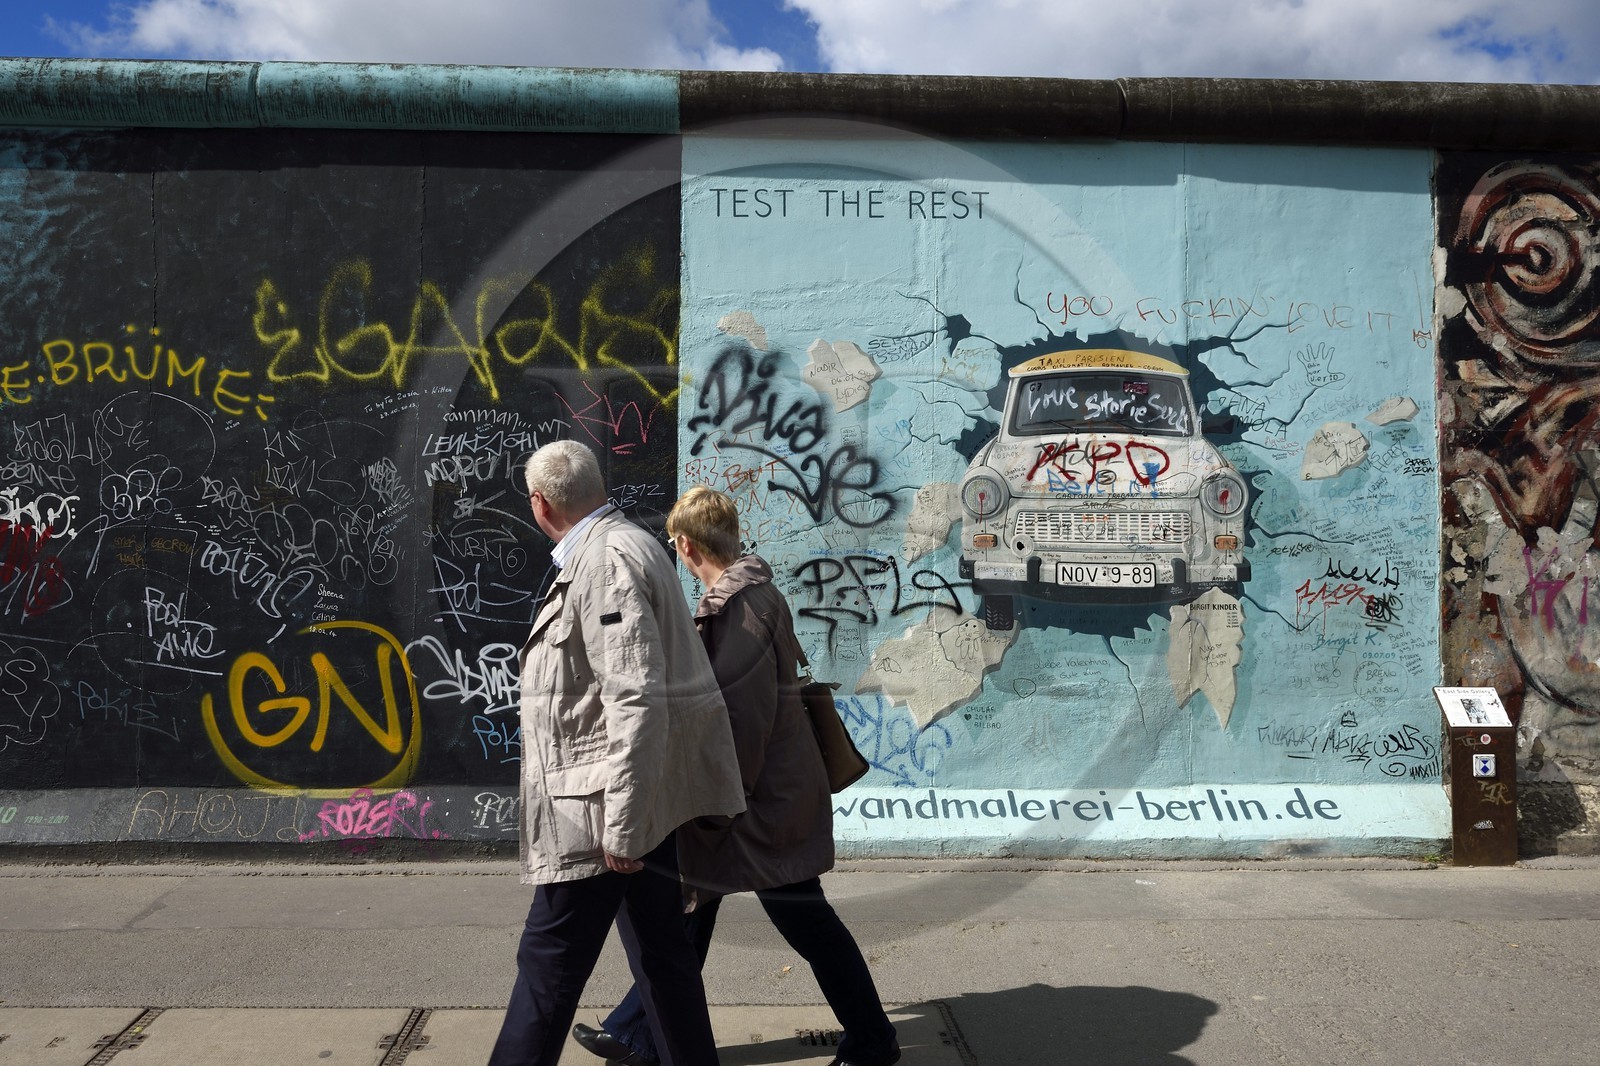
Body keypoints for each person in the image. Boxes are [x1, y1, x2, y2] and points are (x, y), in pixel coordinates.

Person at [572, 486, 900, 1066]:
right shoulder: (750, 595)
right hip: (766, 795)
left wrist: (723, 803)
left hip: (759, 802)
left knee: (803, 920)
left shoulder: (737, 607)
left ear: (685, 543)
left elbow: (743, 721)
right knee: (694, 913)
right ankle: (637, 1032)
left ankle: (874, 1039)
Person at [488, 443, 746, 1066]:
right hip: (631, 797)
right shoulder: (626, 545)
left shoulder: (606, 561)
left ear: (539, 504)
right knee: (663, 958)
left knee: (548, 963)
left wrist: (625, 825)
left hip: (603, 808)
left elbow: (635, 697)